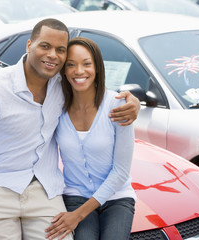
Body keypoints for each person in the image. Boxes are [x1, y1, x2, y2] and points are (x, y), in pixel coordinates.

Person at [0, 18, 140, 240]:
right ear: (29, 45)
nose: (52, 55)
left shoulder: (62, 86)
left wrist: (133, 102)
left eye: (60, 50)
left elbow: (94, 91)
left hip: (43, 189)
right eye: (45, 46)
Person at [44, 37, 136, 240]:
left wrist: (77, 216)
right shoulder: (57, 107)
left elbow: (121, 173)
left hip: (117, 196)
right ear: (64, 70)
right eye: (71, 65)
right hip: (76, 194)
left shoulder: (117, 105)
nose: (79, 71)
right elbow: (27, 134)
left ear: (97, 68)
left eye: (86, 64)